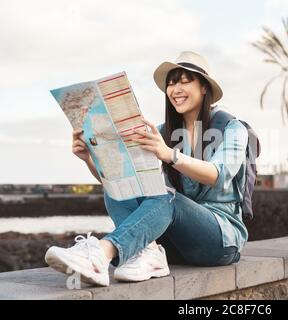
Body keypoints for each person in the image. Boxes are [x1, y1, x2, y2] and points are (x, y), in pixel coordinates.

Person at [45, 51, 249, 287]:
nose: (175, 89)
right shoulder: (163, 132)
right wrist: (89, 158)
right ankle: (147, 254)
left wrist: (169, 155)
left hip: (219, 241)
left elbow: (219, 174)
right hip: (173, 242)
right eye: (171, 83)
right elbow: (124, 179)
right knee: (119, 188)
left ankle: (102, 253)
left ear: (204, 88)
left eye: (185, 81)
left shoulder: (232, 128)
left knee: (168, 198)